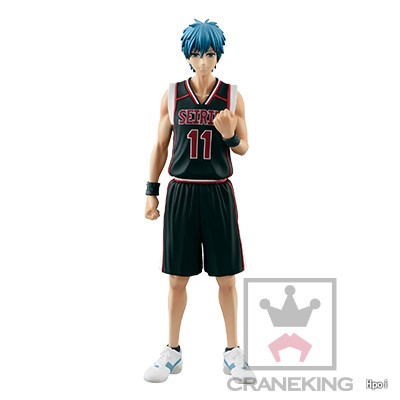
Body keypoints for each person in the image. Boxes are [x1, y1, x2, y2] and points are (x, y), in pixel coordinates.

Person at [143, 19, 256, 384]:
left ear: (218, 55)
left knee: (227, 277)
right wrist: (151, 191)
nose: (203, 61)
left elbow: (244, 147)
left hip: (218, 191)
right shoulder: (173, 94)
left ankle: (232, 351)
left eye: (209, 53)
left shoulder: (232, 95)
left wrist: (229, 136)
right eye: (196, 54)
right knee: (177, 278)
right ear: (187, 57)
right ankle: (172, 351)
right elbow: (161, 145)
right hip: (182, 191)